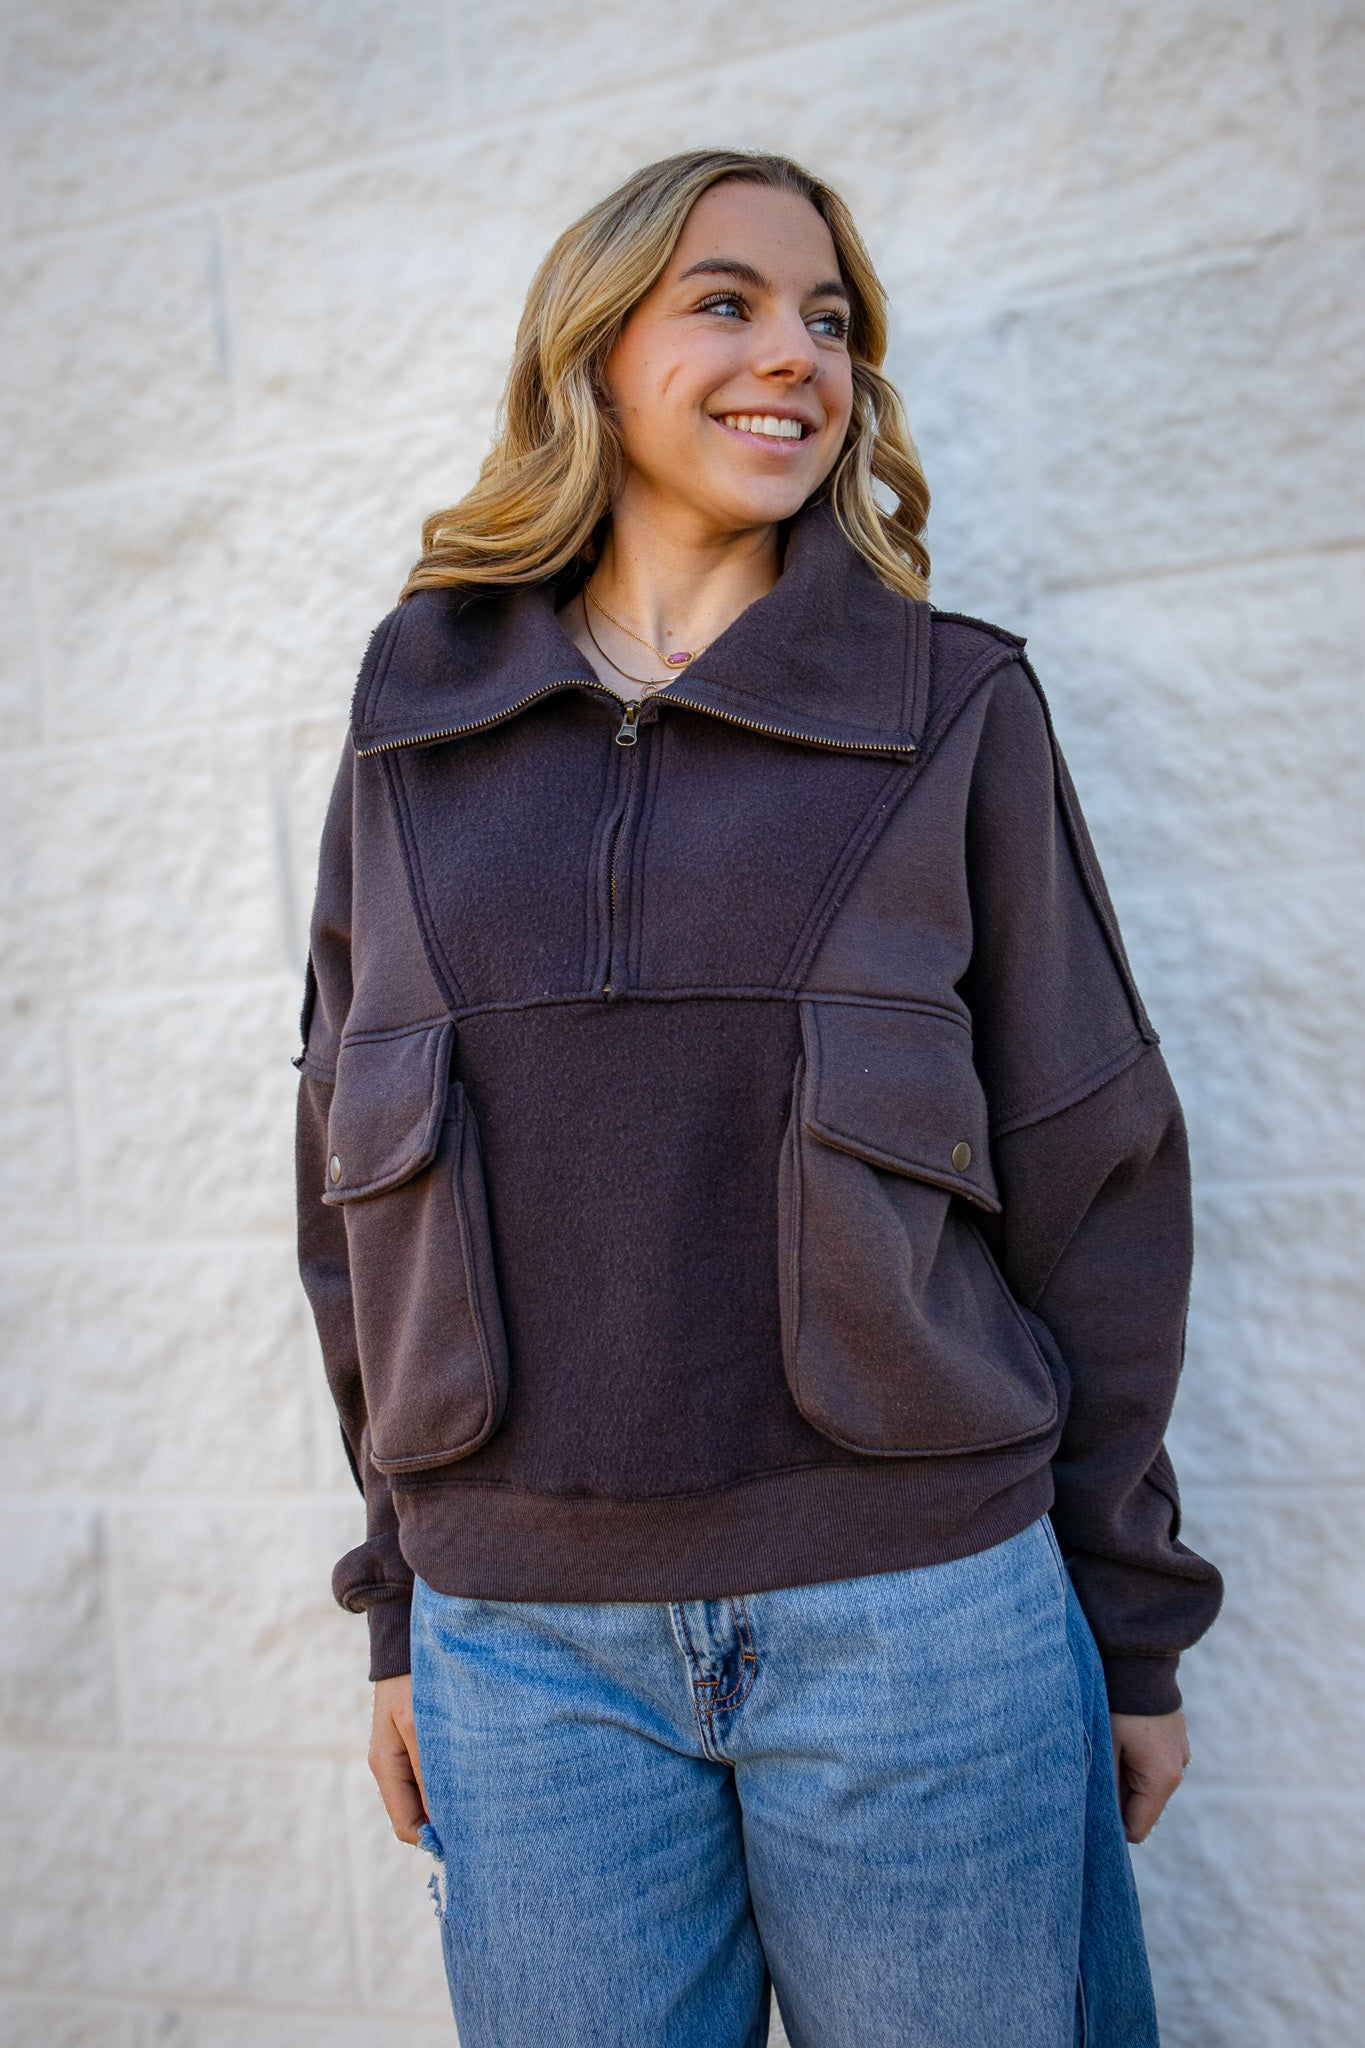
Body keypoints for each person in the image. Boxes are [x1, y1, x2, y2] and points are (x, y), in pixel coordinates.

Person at [294, 148, 1223, 2048]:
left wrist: (1126, 1622)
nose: (793, 353)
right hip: (525, 1650)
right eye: (725, 300)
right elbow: (347, 1196)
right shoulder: (413, 725)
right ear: (595, 348)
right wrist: (402, 1604)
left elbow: (1093, 1172)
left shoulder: (949, 706)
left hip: (918, 1630)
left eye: (829, 321)